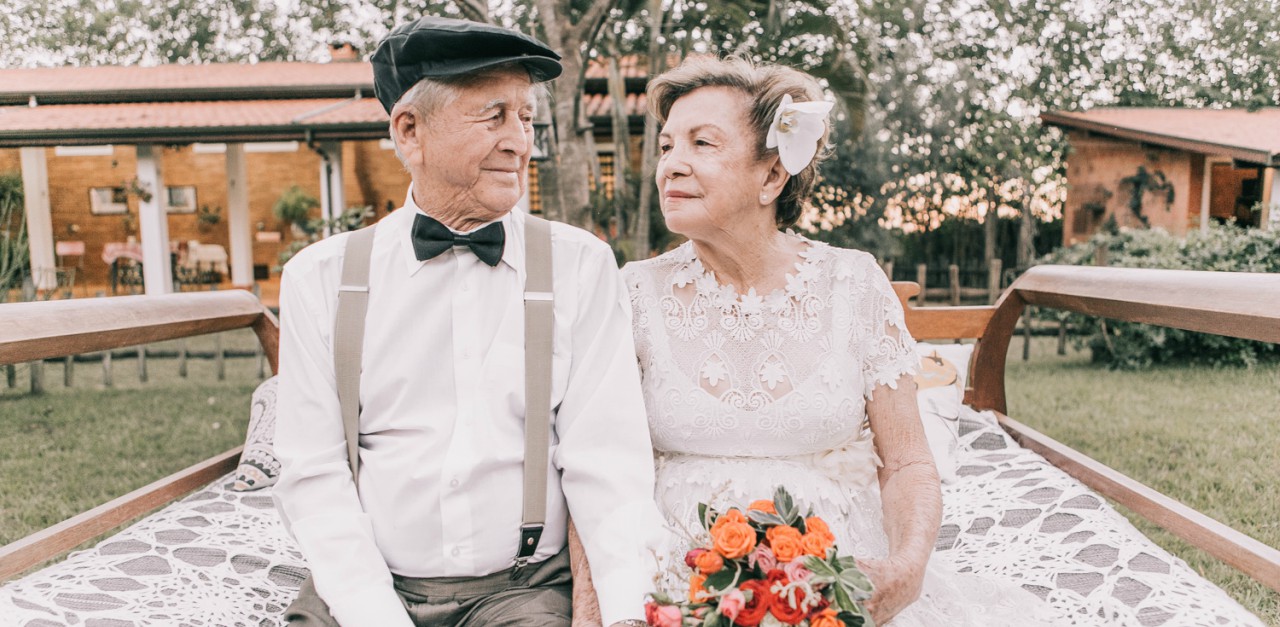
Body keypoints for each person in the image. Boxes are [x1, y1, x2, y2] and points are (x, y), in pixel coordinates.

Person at [617, 56, 1063, 625]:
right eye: (665, 146)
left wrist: (905, 571)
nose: (671, 166)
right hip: (674, 586)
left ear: (772, 176)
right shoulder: (633, 293)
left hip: (834, 582)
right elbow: (600, 466)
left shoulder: (853, 284)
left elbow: (905, 463)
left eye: (702, 144)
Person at [272, 16, 661, 627]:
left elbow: (607, 464)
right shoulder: (318, 279)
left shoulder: (579, 265)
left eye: (527, 118)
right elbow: (313, 473)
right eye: (493, 115)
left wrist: (627, 613)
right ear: (410, 132)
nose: (520, 142)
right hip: (366, 583)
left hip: (521, 592)